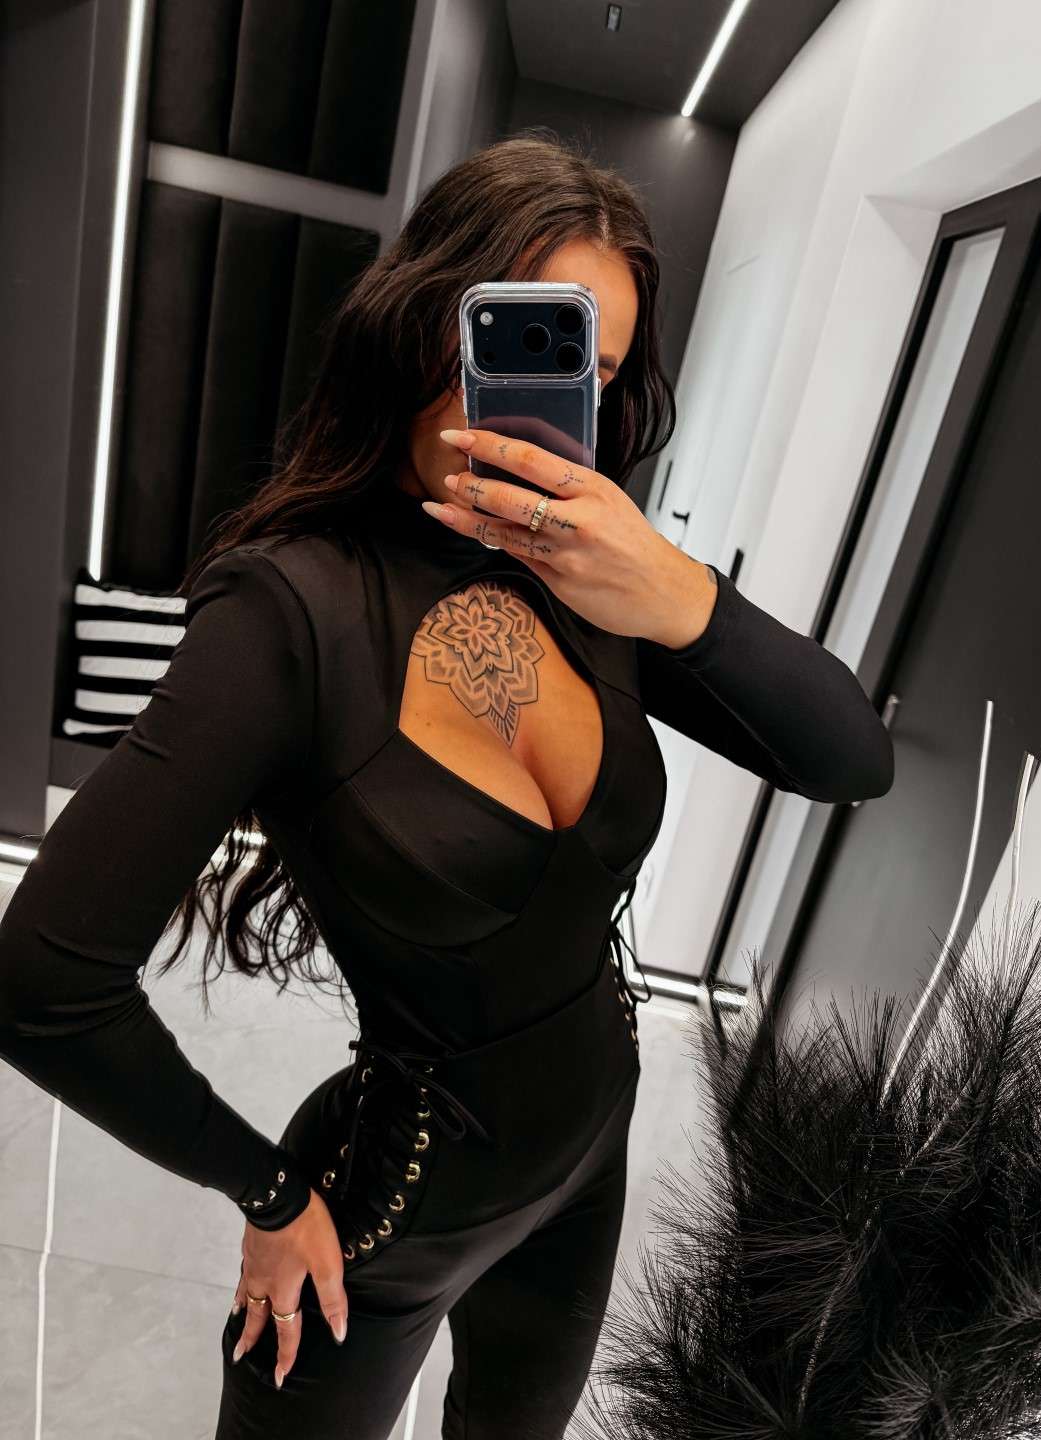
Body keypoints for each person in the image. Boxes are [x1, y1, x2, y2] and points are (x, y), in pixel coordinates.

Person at [0, 132, 894, 1439]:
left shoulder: (594, 583)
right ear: (426, 323)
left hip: (588, 1162)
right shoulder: (290, 612)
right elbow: (40, 980)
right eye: (519, 341)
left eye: (589, 371)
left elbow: (850, 759)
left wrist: (675, 592)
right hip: (390, 1214)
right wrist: (265, 1192)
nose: (548, 398)